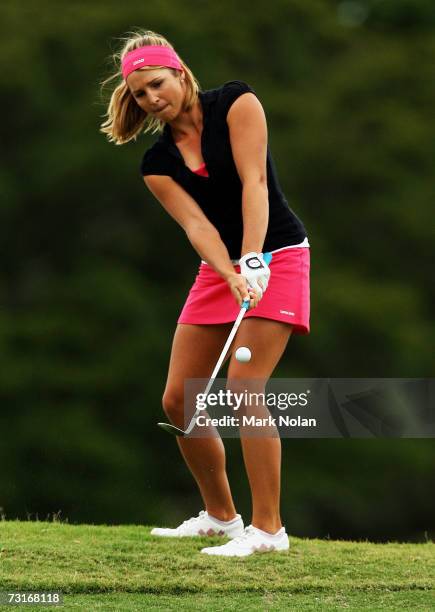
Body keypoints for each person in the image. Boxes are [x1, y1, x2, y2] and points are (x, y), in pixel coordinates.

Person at [100, 29, 310, 557]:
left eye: (156, 84)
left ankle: (268, 532)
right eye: (141, 94)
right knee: (179, 400)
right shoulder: (157, 163)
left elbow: (254, 183)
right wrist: (232, 270)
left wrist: (256, 258)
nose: (152, 99)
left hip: (279, 256)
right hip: (219, 269)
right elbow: (197, 227)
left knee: (244, 386)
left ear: (180, 73)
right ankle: (222, 518)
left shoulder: (237, 103)